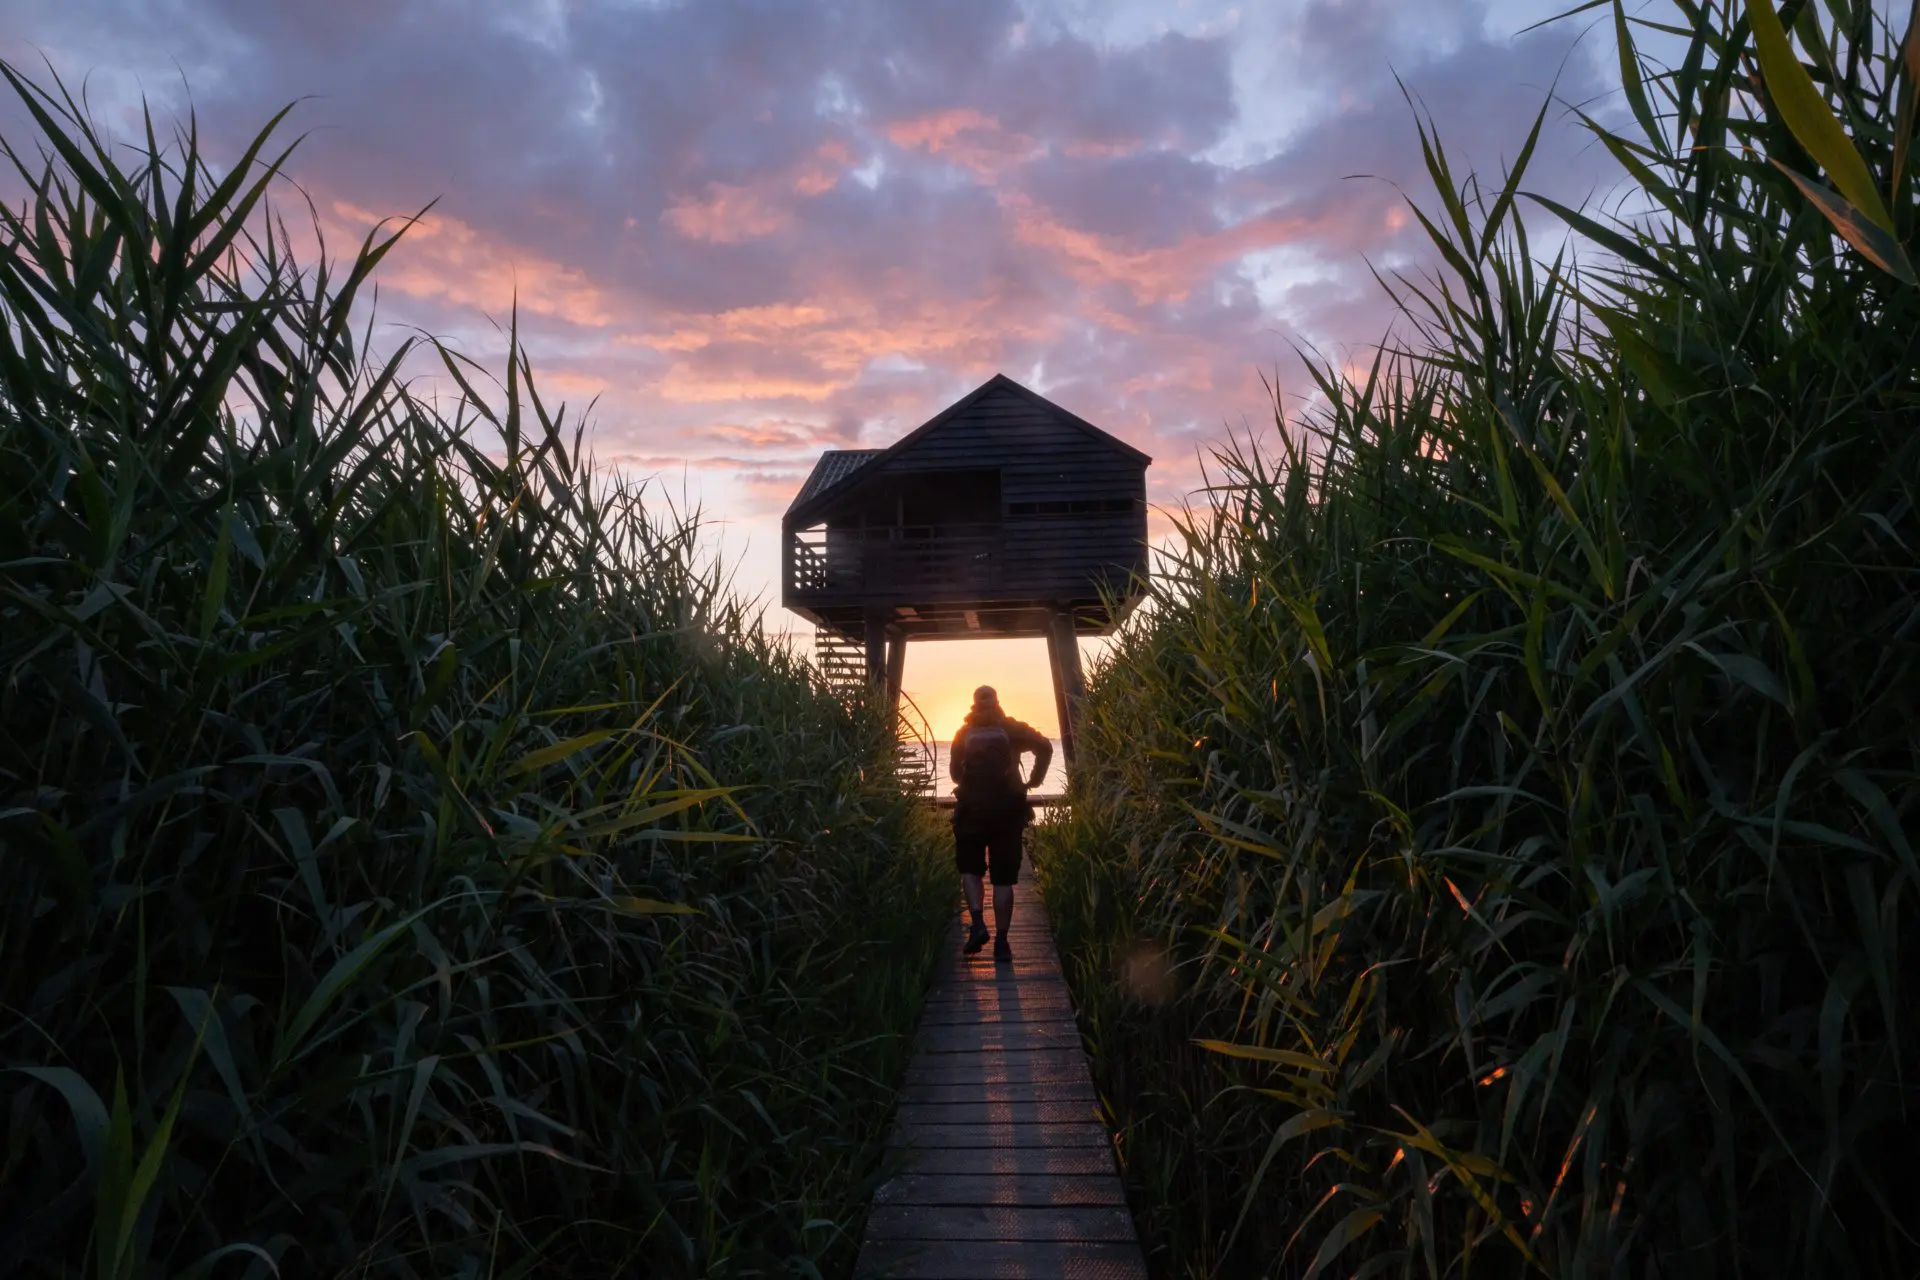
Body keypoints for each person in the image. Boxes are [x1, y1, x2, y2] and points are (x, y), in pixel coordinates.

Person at [949, 685, 1051, 961]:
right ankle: (1002, 942)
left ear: (973, 704)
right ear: (997, 701)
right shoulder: (1012, 728)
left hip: (971, 811)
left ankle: (979, 923)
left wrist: (974, 784)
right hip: (1008, 811)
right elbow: (1045, 747)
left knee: (970, 870)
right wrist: (1034, 780)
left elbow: (955, 774)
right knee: (1003, 879)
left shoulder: (963, 733)